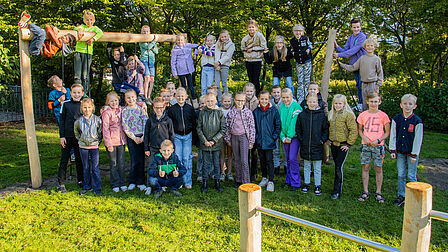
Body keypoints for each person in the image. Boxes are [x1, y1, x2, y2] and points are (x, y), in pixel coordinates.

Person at [389, 94, 423, 207]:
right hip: (400, 152)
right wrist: (392, 150)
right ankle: (401, 195)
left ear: (415, 106)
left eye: (410, 104)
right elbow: (393, 135)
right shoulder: (396, 119)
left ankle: (413, 197)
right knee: (401, 174)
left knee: (411, 175)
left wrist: (414, 154)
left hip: (411, 153)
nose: (407, 106)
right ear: (401, 105)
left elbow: (418, 139)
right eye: (405, 104)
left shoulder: (417, 121)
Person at [357, 92, 390, 203]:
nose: (373, 104)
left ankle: (378, 192)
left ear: (379, 102)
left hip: (378, 146)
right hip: (366, 145)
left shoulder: (383, 116)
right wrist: (364, 138)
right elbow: (360, 130)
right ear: (367, 102)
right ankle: (365, 191)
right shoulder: (363, 115)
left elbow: (387, 132)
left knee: (378, 168)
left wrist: (379, 140)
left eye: (376, 101)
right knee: (366, 167)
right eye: (371, 101)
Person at [339, 37, 383, 111]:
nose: (369, 47)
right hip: (364, 84)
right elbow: (353, 67)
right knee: (365, 102)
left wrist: (378, 84)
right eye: (368, 46)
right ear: (365, 47)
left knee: (373, 101)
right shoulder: (362, 58)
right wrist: (342, 65)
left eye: (371, 46)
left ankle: (374, 117)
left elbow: (380, 72)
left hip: (373, 83)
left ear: (374, 47)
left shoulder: (376, 59)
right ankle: (365, 118)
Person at [296, 94, 329, 195]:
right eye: (310, 102)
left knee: (317, 167)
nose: (312, 104)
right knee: (306, 165)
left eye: (314, 102)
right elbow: (298, 128)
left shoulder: (321, 115)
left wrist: (322, 140)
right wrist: (302, 140)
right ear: (307, 102)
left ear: (317, 103)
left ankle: (317, 185)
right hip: (305, 145)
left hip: (317, 145)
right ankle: (306, 183)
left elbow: (325, 130)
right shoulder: (302, 115)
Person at [327, 94, 358, 199]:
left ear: (344, 104)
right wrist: (328, 139)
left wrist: (348, 144)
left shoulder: (348, 115)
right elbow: (328, 128)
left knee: (338, 166)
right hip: (333, 144)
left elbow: (353, 130)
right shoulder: (331, 114)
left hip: (343, 145)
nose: (338, 105)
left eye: (340, 103)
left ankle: (337, 190)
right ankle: (336, 187)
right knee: (336, 165)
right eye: (336, 103)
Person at [334, 18, 367, 111]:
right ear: (351, 28)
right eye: (354, 27)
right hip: (354, 65)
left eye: (358, 27)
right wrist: (337, 47)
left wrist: (339, 55)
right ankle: (360, 104)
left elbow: (354, 50)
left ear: (360, 27)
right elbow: (346, 51)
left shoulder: (362, 37)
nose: (356, 29)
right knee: (358, 84)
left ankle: (363, 104)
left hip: (362, 64)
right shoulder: (350, 38)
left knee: (362, 84)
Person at [224, 92, 255, 187]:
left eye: (242, 100)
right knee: (237, 159)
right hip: (234, 136)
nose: (240, 102)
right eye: (238, 100)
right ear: (235, 100)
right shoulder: (231, 112)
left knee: (244, 160)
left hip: (244, 137)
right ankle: (238, 180)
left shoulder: (248, 112)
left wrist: (251, 141)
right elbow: (227, 126)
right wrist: (228, 139)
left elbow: (252, 127)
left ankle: (246, 181)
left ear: (245, 101)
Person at [57, 84, 85, 193]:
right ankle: (61, 183)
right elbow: (62, 121)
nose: (76, 95)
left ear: (82, 93)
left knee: (79, 159)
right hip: (67, 137)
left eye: (79, 93)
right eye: (74, 92)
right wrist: (62, 136)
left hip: (79, 137)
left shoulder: (84, 104)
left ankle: (81, 180)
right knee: (64, 159)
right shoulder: (65, 104)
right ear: (70, 93)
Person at [197, 93, 226, 192]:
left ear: (216, 101)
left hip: (216, 144)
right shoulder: (202, 113)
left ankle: (217, 182)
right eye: (208, 101)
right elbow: (199, 128)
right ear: (205, 102)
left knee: (216, 163)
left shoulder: (219, 113)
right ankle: (205, 182)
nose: (210, 103)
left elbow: (223, 129)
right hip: (205, 144)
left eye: (212, 101)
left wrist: (214, 140)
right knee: (205, 163)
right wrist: (205, 141)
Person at [167, 88, 196, 189]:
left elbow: (193, 123)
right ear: (175, 96)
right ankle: (179, 180)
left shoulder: (190, 108)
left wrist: (194, 139)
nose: (180, 98)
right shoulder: (172, 109)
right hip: (177, 136)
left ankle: (187, 181)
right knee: (178, 158)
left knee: (187, 158)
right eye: (178, 96)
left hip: (188, 136)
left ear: (186, 96)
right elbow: (170, 125)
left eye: (182, 96)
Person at [144, 97, 175, 190]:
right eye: (157, 108)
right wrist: (146, 148)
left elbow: (171, 135)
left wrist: (172, 149)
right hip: (153, 148)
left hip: (165, 150)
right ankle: (149, 186)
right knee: (152, 167)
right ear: (153, 108)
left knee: (164, 167)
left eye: (161, 107)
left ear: (164, 107)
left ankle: (163, 185)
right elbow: (146, 135)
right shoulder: (150, 120)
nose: (159, 110)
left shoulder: (168, 120)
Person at [253, 90, 281, 192]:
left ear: (269, 99)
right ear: (259, 99)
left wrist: (273, 137)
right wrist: (256, 137)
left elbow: (278, 125)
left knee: (270, 161)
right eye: (262, 99)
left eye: (266, 99)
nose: (264, 101)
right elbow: (253, 126)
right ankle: (264, 177)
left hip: (269, 141)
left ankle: (271, 180)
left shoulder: (273, 111)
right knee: (262, 160)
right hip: (260, 141)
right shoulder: (256, 112)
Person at [74, 98, 103, 195]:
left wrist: (97, 141)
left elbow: (100, 132)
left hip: (94, 146)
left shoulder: (97, 120)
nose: (87, 110)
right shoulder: (79, 121)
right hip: (83, 147)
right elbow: (76, 132)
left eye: (89, 107)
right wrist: (81, 140)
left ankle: (97, 187)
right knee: (85, 167)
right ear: (82, 108)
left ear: (92, 108)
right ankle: (87, 186)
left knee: (95, 167)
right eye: (85, 108)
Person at [122, 89, 148, 191]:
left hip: (141, 137)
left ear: (136, 97)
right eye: (128, 98)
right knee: (134, 160)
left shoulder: (141, 109)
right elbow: (125, 126)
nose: (131, 99)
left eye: (132, 97)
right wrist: (133, 137)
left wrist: (143, 137)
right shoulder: (124, 111)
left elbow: (146, 122)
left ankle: (140, 182)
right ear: (125, 99)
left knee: (141, 160)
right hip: (131, 138)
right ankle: (132, 181)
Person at [102, 92, 127, 193]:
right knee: (114, 163)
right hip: (112, 142)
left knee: (121, 163)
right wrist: (108, 144)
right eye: (111, 101)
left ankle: (123, 182)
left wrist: (142, 104)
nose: (114, 102)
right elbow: (105, 129)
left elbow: (131, 105)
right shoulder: (107, 113)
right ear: (108, 102)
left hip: (121, 141)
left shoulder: (121, 110)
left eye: (115, 100)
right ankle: (115, 183)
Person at [73, 11, 104, 93]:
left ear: (93, 20)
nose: (89, 22)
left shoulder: (94, 28)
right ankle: (77, 91)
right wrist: (79, 30)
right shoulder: (82, 27)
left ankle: (85, 92)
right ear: (84, 20)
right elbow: (75, 28)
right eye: (87, 20)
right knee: (77, 74)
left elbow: (100, 32)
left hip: (88, 53)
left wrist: (93, 39)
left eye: (91, 20)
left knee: (85, 74)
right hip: (78, 52)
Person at [279, 88, 302, 191]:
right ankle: (288, 180)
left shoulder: (296, 107)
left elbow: (294, 124)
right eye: (283, 97)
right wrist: (282, 137)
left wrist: (289, 137)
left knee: (293, 158)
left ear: (292, 96)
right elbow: (279, 123)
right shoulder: (281, 107)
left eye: (287, 97)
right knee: (287, 158)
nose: (285, 99)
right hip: (285, 138)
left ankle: (296, 182)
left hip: (294, 137)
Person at [171, 33, 199, 107]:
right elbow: (173, 62)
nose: (180, 41)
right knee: (184, 87)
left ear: (184, 40)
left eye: (181, 40)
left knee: (191, 86)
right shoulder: (175, 50)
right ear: (176, 41)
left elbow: (197, 46)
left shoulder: (188, 46)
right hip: (180, 70)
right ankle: (186, 101)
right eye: (178, 40)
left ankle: (194, 100)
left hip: (188, 69)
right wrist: (174, 72)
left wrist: (195, 54)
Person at [241, 20, 267, 95]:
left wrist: (253, 48)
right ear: (247, 28)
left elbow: (264, 47)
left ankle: (257, 95)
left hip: (257, 60)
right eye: (249, 27)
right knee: (250, 79)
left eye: (253, 27)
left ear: (256, 28)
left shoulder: (260, 36)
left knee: (256, 79)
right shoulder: (245, 38)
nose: (251, 29)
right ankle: (250, 95)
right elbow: (243, 48)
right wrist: (247, 49)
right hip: (248, 60)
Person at [290, 24, 312, 103]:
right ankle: (300, 99)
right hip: (298, 62)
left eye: (300, 31)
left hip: (307, 61)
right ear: (293, 32)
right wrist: (292, 52)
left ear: (303, 32)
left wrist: (309, 49)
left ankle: (308, 98)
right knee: (300, 81)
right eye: (296, 31)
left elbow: (310, 45)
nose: (298, 32)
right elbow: (291, 48)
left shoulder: (305, 38)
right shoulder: (292, 41)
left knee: (307, 80)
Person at [244, 82, 259, 182]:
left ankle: (254, 172)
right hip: (244, 130)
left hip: (255, 130)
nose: (249, 93)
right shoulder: (242, 100)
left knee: (254, 153)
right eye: (247, 91)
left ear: (254, 91)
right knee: (245, 153)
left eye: (251, 91)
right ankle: (246, 172)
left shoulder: (257, 102)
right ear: (244, 91)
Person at [215, 30, 235, 102]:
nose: (224, 38)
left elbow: (228, 56)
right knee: (217, 84)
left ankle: (227, 99)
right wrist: (216, 63)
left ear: (228, 36)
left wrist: (219, 62)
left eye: (225, 36)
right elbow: (217, 53)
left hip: (225, 65)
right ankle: (220, 100)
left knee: (224, 83)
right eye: (222, 37)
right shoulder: (218, 43)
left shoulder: (231, 45)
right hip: (217, 65)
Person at [139, 25, 159, 101]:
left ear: (149, 32)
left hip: (151, 61)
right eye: (144, 31)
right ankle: (145, 96)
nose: (146, 33)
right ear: (141, 32)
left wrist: (152, 45)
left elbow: (156, 51)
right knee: (147, 78)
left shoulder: (152, 42)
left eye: (147, 31)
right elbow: (147, 47)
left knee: (152, 79)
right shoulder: (141, 41)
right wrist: (154, 42)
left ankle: (149, 96)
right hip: (145, 60)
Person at [270, 85, 284, 175]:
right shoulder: (270, 102)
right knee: (275, 149)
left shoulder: (284, 101)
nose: (276, 94)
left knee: (285, 149)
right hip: (274, 128)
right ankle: (276, 166)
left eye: (278, 92)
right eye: (274, 92)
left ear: (281, 93)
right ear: (271, 93)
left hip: (283, 128)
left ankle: (286, 166)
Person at [220, 93, 234, 181]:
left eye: (229, 101)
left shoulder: (233, 111)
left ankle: (229, 172)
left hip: (230, 136)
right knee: (222, 154)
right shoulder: (219, 111)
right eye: (225, 101)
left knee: (229, 154)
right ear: (221, 102)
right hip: (221, 136)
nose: (227, 103)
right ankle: (222, 172)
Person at [196, 95, 206, 182]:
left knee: (208, 157)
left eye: (205, 103)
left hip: (208, 139)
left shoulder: (210, 113)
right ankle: (199, 173)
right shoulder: (197, 113)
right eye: (201, 103)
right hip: (200, 139)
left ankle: (209, 172)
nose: (203, 105)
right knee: (200, 157)